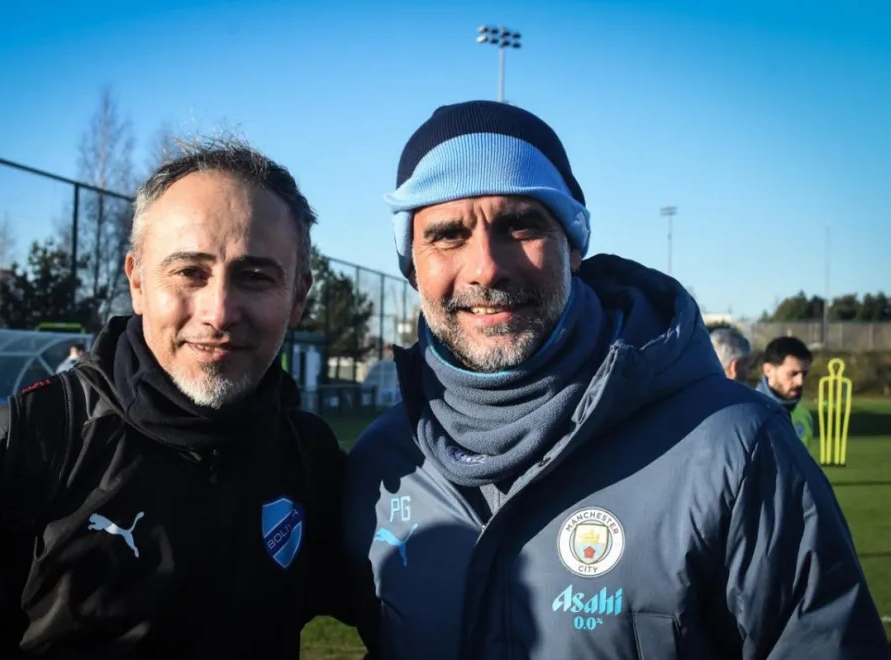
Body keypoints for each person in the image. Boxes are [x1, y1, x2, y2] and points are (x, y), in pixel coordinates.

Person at [343, 101, 889, 658]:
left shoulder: (738, 447)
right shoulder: (381, 466)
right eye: (447, 235)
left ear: (573, 245)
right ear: (412, 265)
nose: (486, 267)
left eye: (520, 224)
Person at [0, 137, 369, 657]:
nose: (218, 312)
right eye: (189, 272)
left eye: (255, 277)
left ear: (298, 297)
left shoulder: (311, 461)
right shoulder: (2, 457)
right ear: (138, 282)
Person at [758, 335, 815, 447]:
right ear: (768, 370)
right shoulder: (750, 413)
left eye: (804, 374)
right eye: (792, 374)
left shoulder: (804, 415)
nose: (800, 382)